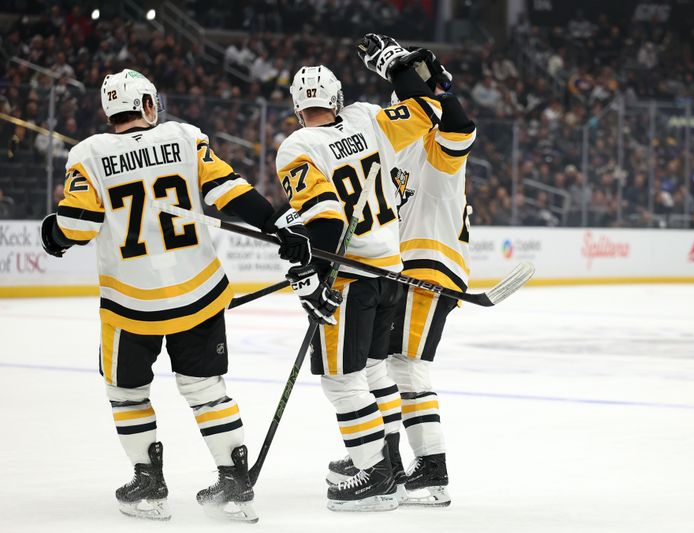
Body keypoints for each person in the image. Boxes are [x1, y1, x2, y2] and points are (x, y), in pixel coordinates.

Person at [38, 69, 330, 522]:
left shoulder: (88, 154)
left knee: (126, 392)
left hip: (129, 304)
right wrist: (275, 225)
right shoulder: (182, 137)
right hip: (198, 292)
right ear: (149, 106)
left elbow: (75, 227)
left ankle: (148, 487)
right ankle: (235, 487)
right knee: (207, 391)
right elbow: (230, 193)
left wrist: (50, 233)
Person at [274, 35, 443, 511]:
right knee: (371, 370)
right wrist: (398, 67)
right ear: (337, 99)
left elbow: (327, 217)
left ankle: (375, 476)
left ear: (297, 106)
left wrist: (312, 271)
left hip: (350, 275)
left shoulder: (297, 145)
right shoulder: (370, 117)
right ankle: (383, 460)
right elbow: (429, 107)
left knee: (341, 380)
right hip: (390, 268)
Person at [326, 49, 475, 507]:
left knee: (407, 368)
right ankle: (385, 455)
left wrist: (413, 72)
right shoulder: (392, 145)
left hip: (428, 264)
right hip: (402, 268)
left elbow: (459, 124)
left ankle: (427, 472)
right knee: (387, 366)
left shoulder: (437, 143)